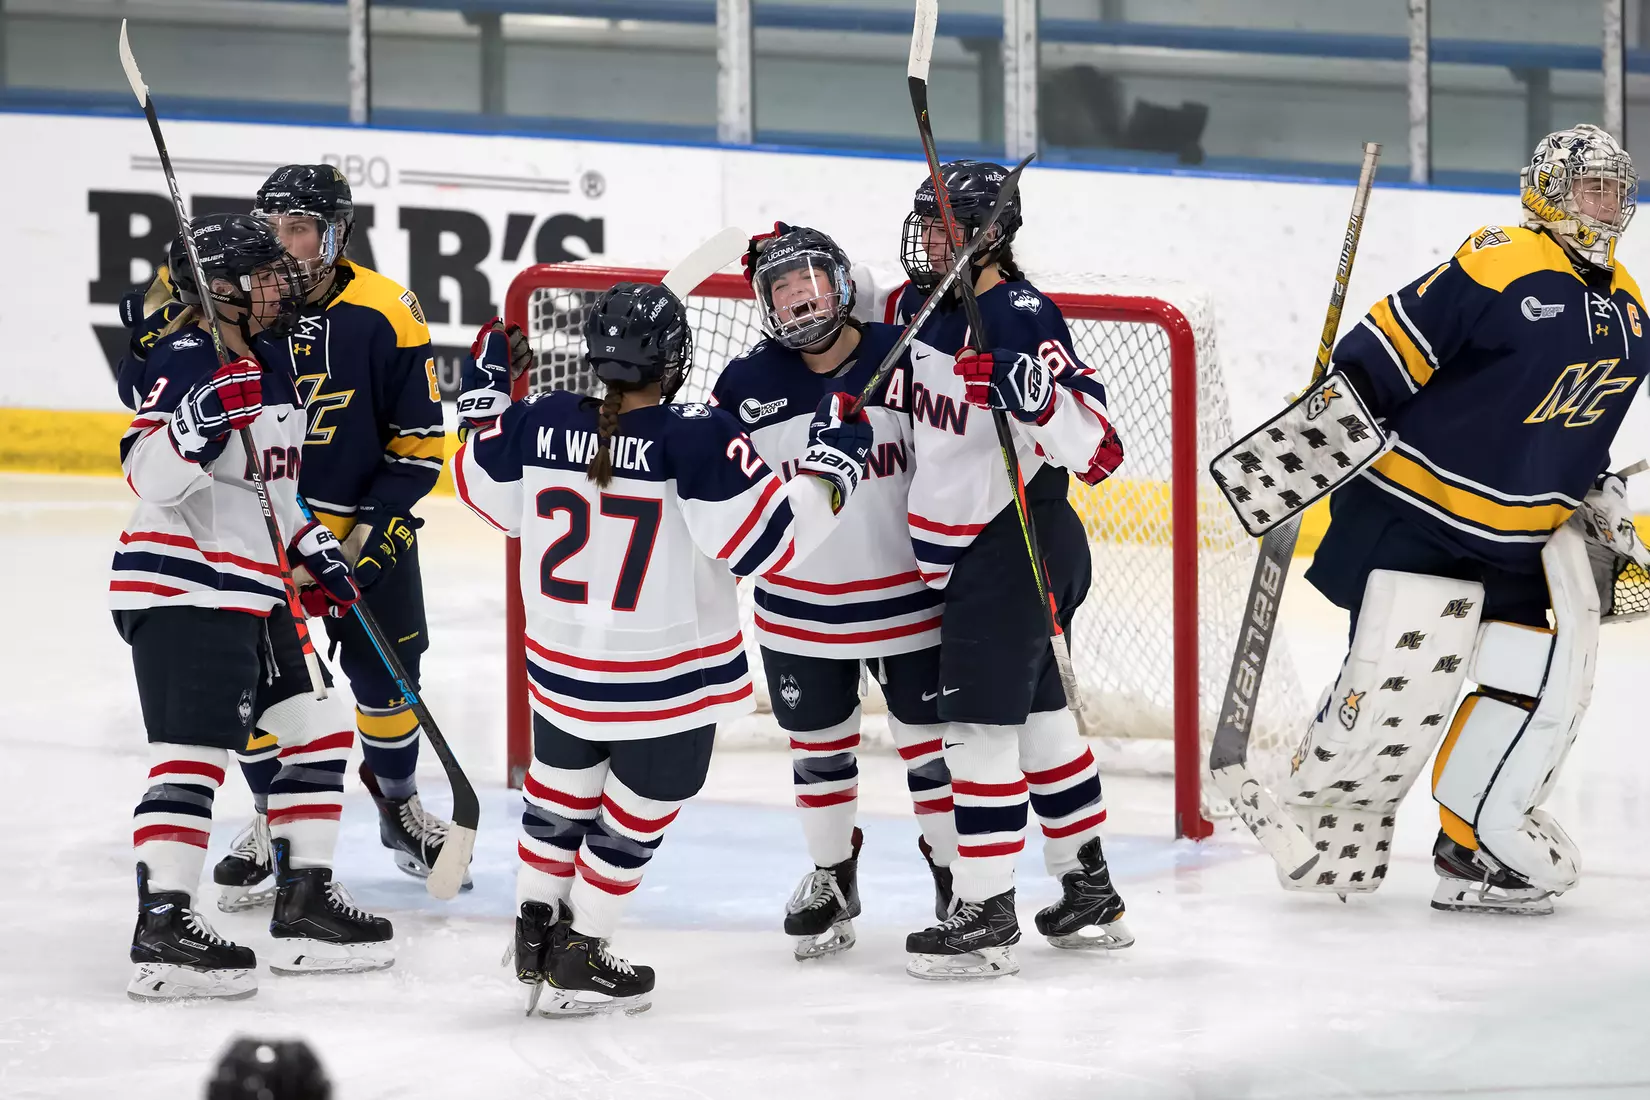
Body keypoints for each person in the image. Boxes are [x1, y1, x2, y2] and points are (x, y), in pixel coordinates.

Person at [452, 280, 872, 1015]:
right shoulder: (698, 439)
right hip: (662, 680)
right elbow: (769, 543)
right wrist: (832, 464)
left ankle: (533, 930)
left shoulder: (537, 418)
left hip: (562, 670)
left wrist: (484, 399)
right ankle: (582, 947)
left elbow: (479, 483)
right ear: (674, 360)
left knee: (558, 798)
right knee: (634, 816)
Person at [1276, 123, 1646, 913]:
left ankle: (1467, 844)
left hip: (1517, 540)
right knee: (1394, 692)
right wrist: (1326, 414)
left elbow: (1579, 419)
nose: (1609, 202)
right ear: (1548, 192)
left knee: (1528, 686)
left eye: (1617, 188)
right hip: (1417, 516)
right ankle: (1323, 818)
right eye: (1592, 186)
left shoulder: (1630, 305)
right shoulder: (1500, 261)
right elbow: (1382, 352)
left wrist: (1597, 485)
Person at [118, 214, 393, 1002]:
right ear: (222, 288)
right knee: (193, 754)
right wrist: (199, 418)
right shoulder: (186, 356)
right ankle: (163, 926)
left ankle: (304, 905)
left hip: (253, 588)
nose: (282, 283)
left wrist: (315, 546)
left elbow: (275, 491)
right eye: (265, 274)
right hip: (185, 585)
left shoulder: (272, 361)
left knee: (320, 727)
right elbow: (145, 472)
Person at [896, 160, 1131, 980]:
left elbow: (1099, 451)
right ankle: (1088, 888)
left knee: (978, 734)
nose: (930, 241)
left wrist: (1032, 394)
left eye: (947, 227)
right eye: (926, 224)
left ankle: (986, 909)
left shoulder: (1022, 316)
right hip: (974, 552)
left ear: (992, 235)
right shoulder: (921, 306)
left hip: (1015, 546)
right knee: (1041, 725)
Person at [208, 164, 458, 907]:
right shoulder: (235, 306)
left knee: (389, 679)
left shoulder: (386, 310)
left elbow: (418, 441)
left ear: (336, 233)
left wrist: (376, 529)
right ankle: (269, 819)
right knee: (256, 689)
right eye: (273, 229)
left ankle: (398, 807)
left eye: (301, 229)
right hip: (262, 541)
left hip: (358, 536)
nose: (284, 245)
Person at [711, 224, 958, 959]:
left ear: (845, 285)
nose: (799, 300)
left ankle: (956, 880)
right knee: (818, 752)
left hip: (912, 603)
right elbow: (727, 496)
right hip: (798, 611)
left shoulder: (905, 355)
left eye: (811, 283)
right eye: (782, 290)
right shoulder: (744, 386)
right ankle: (832, 875)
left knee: (932, 753)